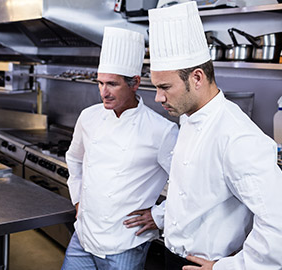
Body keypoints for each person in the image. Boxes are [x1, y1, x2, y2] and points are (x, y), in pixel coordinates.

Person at [148, 2, 282, 269]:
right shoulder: (188, 117)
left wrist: (229, 268)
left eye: (165, 87)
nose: (157, 97)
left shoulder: (236, 136)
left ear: (197, 78)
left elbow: (278, 221)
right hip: (172, 256)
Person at [61, 27, 179, 270]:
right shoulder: (89, 117)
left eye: (112, 84)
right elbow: (74, 159)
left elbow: (188, 185)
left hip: (125, 244)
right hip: (83, 236)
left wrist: (159, 216)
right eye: (100, 83)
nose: (104, 92)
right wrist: (77, 201)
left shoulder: (161, 130)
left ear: (134, 83)